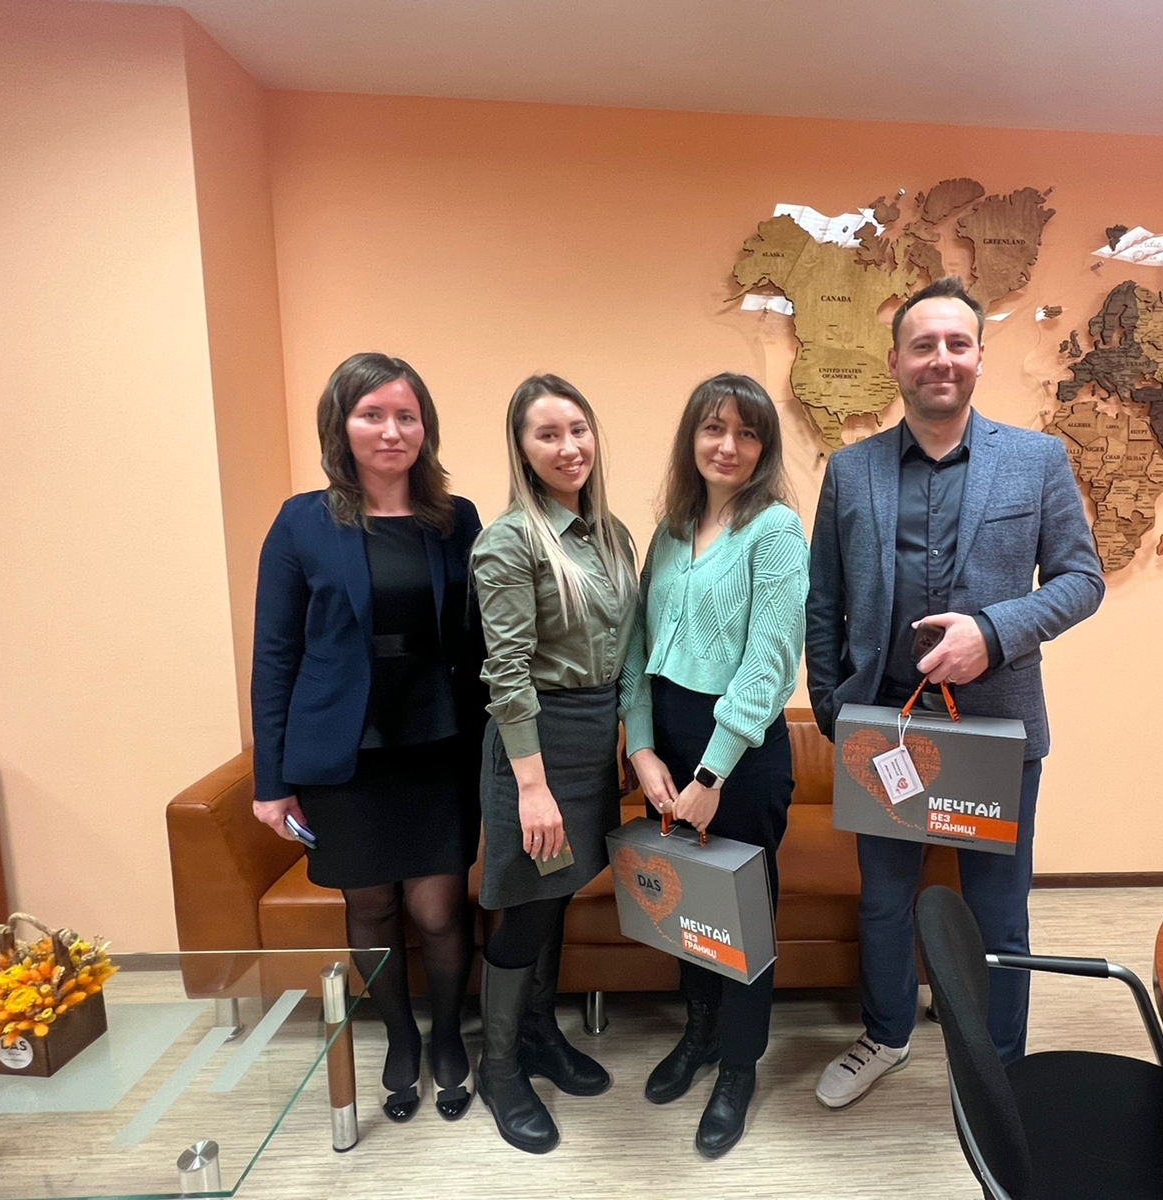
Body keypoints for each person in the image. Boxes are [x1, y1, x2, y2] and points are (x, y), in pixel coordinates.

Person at [805, 276, 1105, 1107]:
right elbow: (824, 600)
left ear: (978, 357)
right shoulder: (851, 470)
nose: (941, 359)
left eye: (957, 344)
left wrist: (994, 633)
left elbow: (1082, 580)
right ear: (895, 363)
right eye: (923, 345)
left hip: (996, 728)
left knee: (998, 913)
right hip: (884, 729)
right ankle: (886, 1035)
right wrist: (831, 708)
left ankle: (998, 1068)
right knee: (884, 903)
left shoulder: (1036, 460)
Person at [251, 352, 484, 1125]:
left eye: (406, 416)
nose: (391, 430)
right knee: (372, 908)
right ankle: (400, 1037)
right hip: (345, 757)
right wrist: (270, 782)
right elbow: (275, 654)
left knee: (440, 911)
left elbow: (483, 639)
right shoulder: (302, 522)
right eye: (372, 415)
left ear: (426, 428)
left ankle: (446, 1034)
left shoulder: (456, 520)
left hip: (437, 746)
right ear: (341, 426)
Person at [623, 373, 808, 1159]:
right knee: (684, 903)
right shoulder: (669, 531)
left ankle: (738, 1065)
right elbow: (636, 650)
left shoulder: (776, 530)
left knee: (741, 915)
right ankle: (698, 1032)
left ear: (764, 447)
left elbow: (769, 663)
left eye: (746, 432)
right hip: (664, 749)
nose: (727, 445)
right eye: (712, 428)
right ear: (691, 438)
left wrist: (710, 776)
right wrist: (639, 748)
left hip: (739, 756)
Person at [470, 374, 641, 1155]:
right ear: (522, 448)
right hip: (534, 744)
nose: (568, 447)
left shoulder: (611, 535)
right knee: (528, 906)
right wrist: (532, 789)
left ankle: (538, 1034)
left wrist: (627, 740)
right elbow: (506, 674)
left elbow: (627, 651)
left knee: (560, 893)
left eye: (578, 429)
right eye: (547, 434)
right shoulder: (509, 541)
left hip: (591, 738)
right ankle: (499, 1067)